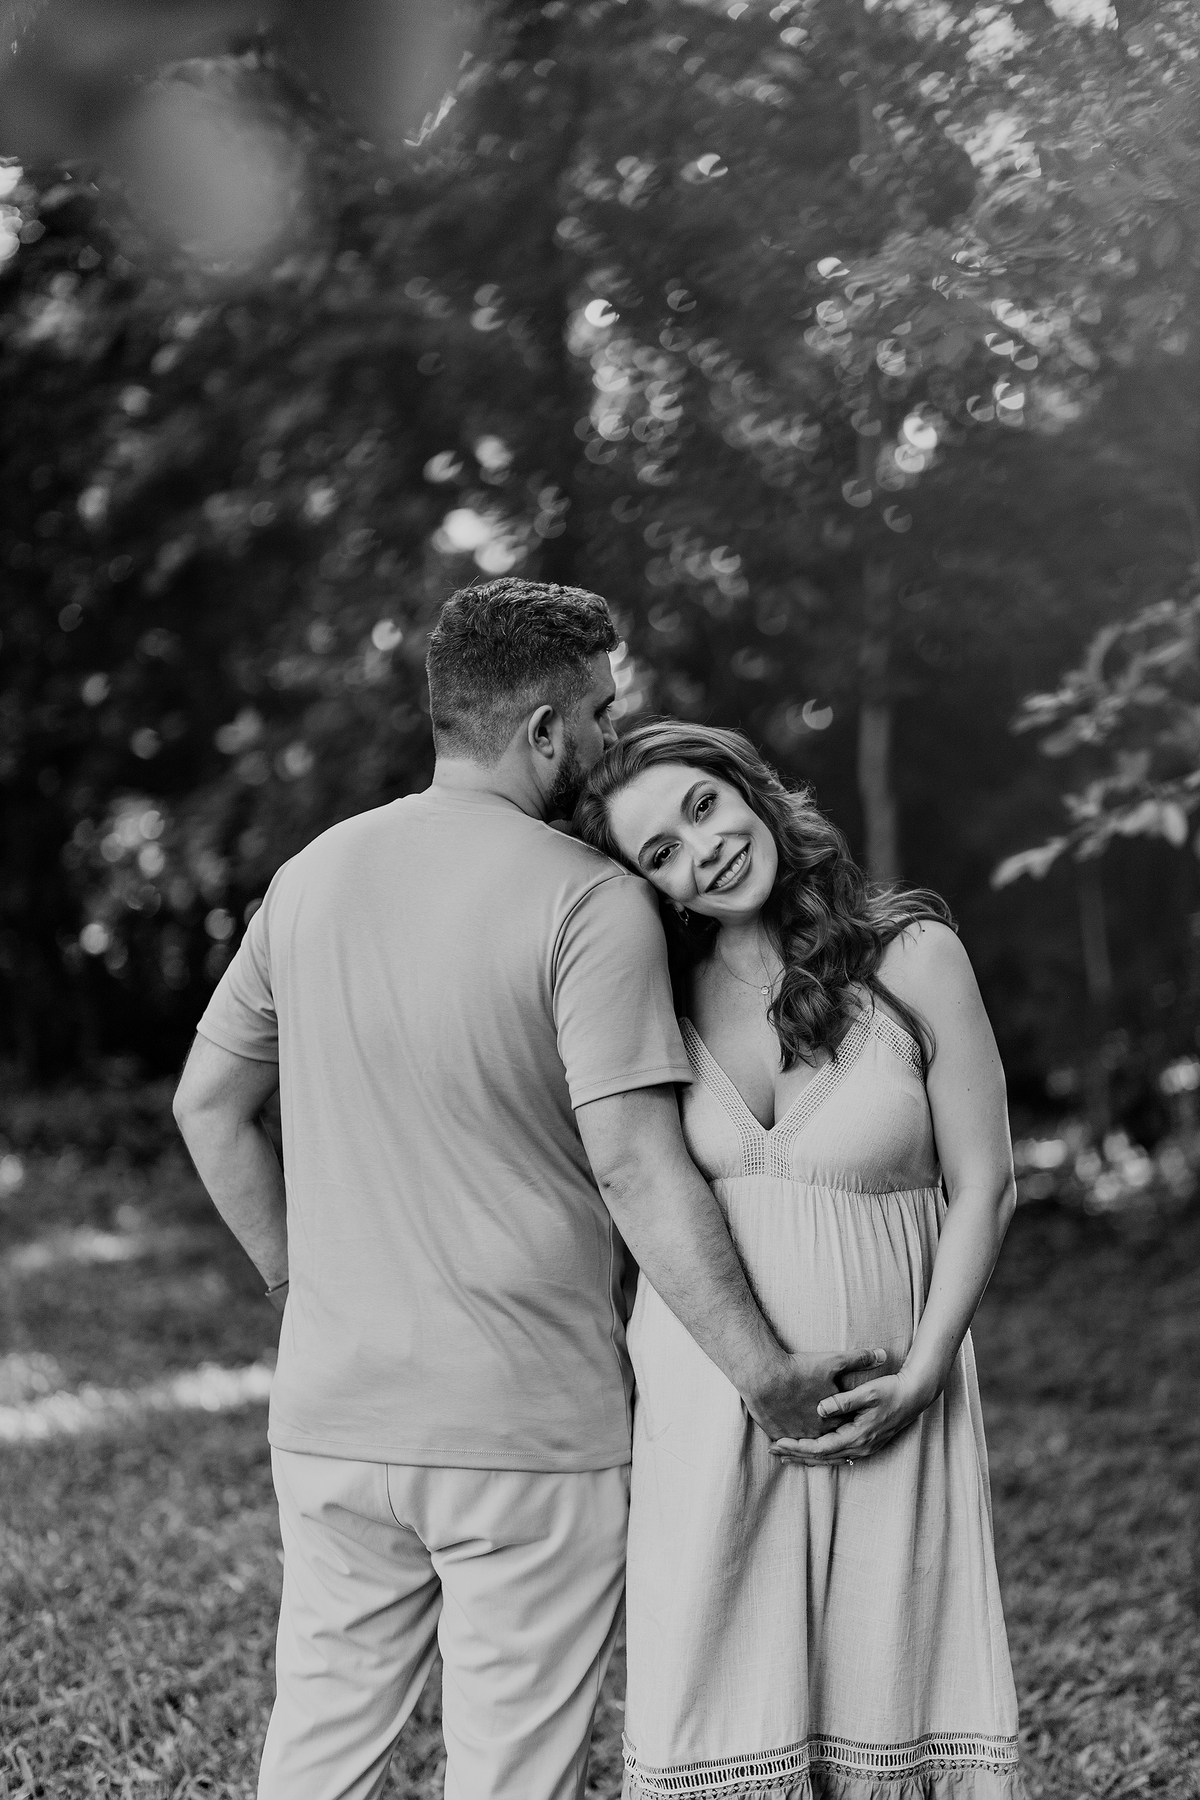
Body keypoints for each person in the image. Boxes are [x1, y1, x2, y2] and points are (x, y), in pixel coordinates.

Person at [172, 580, 884, 1800]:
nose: (611, 738)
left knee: (316, 1756)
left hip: (334, 1416)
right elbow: (632, 1162)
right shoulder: (591, 897)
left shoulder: (313, 874)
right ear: (548, 730)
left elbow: (208, 1108)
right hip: (528, 1430)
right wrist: (764, 1371)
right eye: (602, 714)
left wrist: (301, 1287)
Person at [575, 721, 1026, 1800]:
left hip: (891, 1393)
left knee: (889, 1684)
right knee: (720, 1701)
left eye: (703, 807)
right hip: (709, 1400)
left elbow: (986, 1183)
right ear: (651, 886)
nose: (704, 850)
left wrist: (924, 1372)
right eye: (661, 852)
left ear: (750, 790)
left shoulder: (912, 955)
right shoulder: (652, 999)